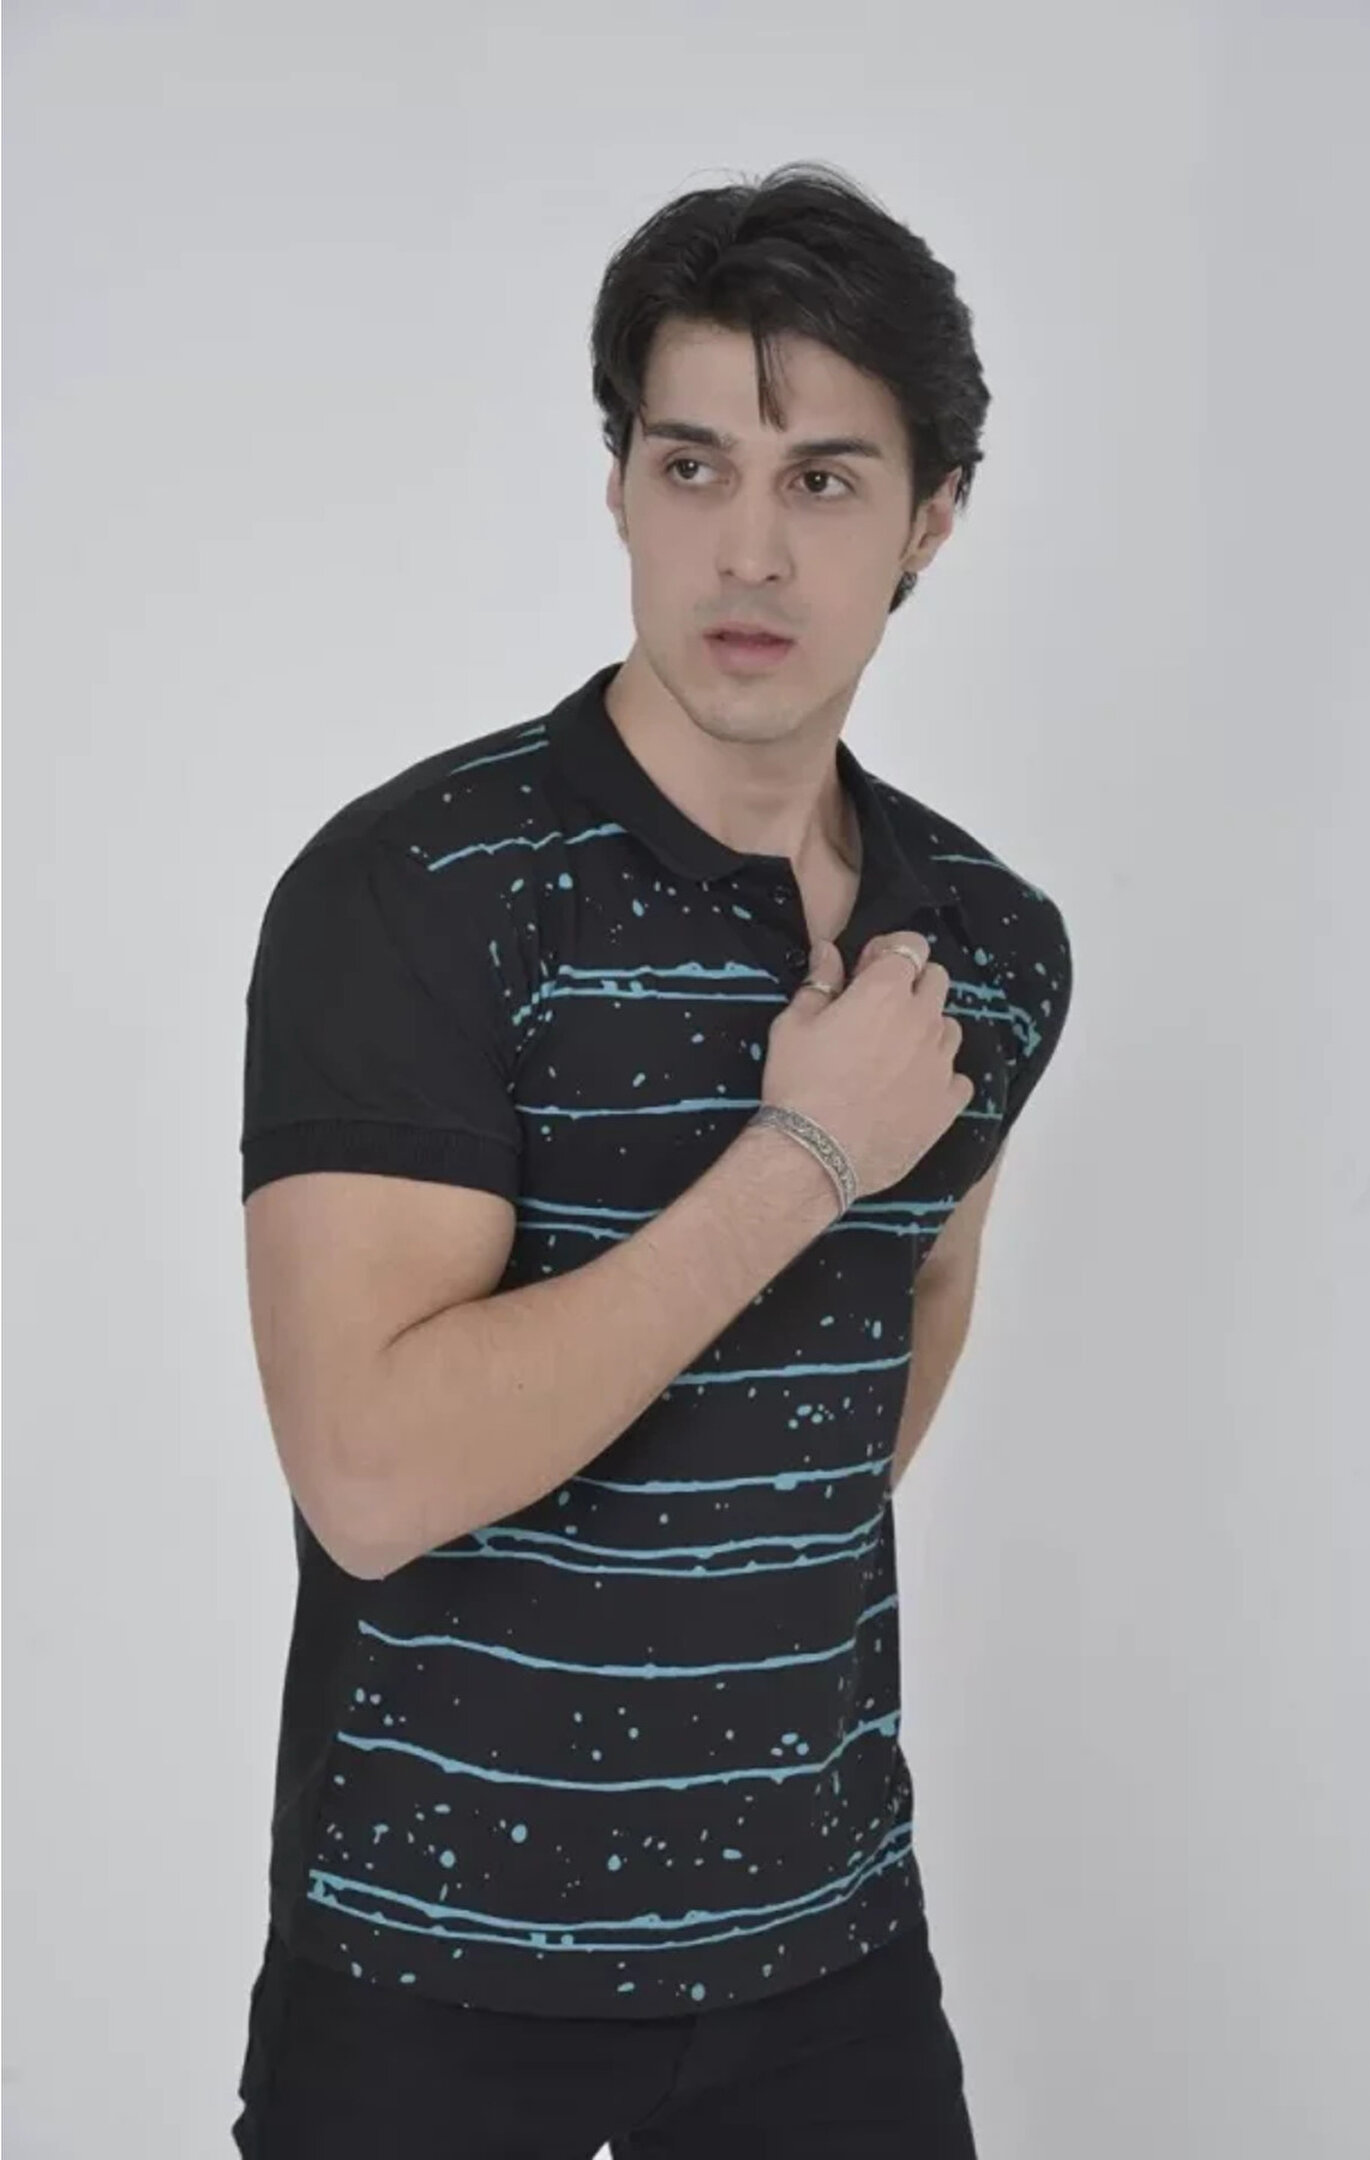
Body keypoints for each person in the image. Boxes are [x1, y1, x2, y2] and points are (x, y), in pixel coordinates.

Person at [231, 160, 1073, 2158]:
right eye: (694, 467)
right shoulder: (419, 892)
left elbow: (890, 1350)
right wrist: (802, 1154)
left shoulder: (988, 946)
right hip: (428, 1973)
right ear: (618, 485)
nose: (749, 551)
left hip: (829, 1961)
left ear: (931, 519)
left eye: (825, 481)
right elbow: (370, 1478)